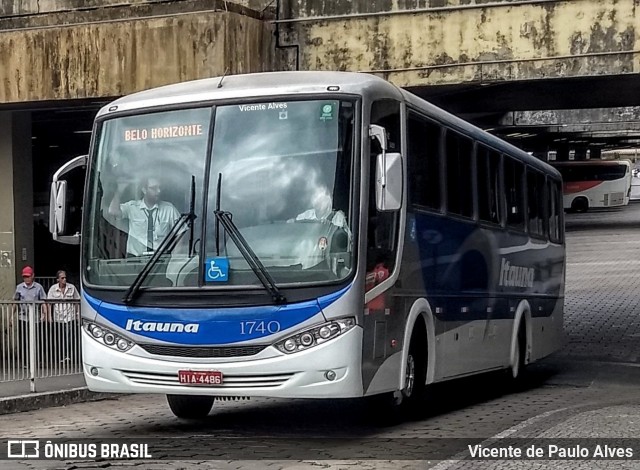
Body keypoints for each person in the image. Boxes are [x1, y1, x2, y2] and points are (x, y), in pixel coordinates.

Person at [108, 176, 181, 257]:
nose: (159, 191)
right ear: (144, 190)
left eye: (159, 188)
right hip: (135, 260)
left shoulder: (169, 209)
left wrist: (176, 254)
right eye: (154, 188)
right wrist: (119, 191)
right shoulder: (132, 207)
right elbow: (113, 211)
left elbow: (182, 231)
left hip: (160, 259)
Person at [13, 266, 47, 368]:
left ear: (32, 276)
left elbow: (43, 302)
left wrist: (44, 314)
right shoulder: (19, 287)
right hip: (23, 317)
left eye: (28, 276)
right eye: (24, 277)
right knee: (24, 340)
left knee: (37, 340)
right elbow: (15, 302)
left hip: (36, 318)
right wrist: (11, 316)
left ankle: (38, 361)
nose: (26, 279)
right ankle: (25, 362)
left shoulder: (38, 287)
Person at [47, 270, 80, 364]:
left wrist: (78, 315)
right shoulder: (53, 289)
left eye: (65, 277)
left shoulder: (71, 287)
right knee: (60, 337)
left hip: (70, 316)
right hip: (58, 317)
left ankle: (69, 356)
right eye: (62, 278)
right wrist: (50, 317)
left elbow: (77, 301)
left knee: (70, 337)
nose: (64, 279)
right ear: (58, 279)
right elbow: (49, 303)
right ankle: (61, 356)